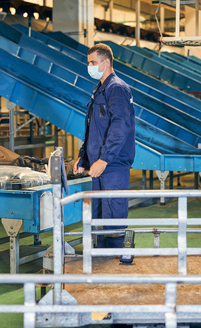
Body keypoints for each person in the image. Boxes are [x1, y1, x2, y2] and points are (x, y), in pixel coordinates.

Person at [73, 43, 136, 248]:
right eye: (88, 62)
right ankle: (101, 258)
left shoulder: (116, 89)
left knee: (113, 214)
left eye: (93, 62)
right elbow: (93, 129)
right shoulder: (99, 89)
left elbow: (120, 128)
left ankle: (114, 261)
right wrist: (84, 158)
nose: (89, 66)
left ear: (106, 62)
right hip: (98, 165)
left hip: (112, 165)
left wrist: (104, 159)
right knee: (99, 215)